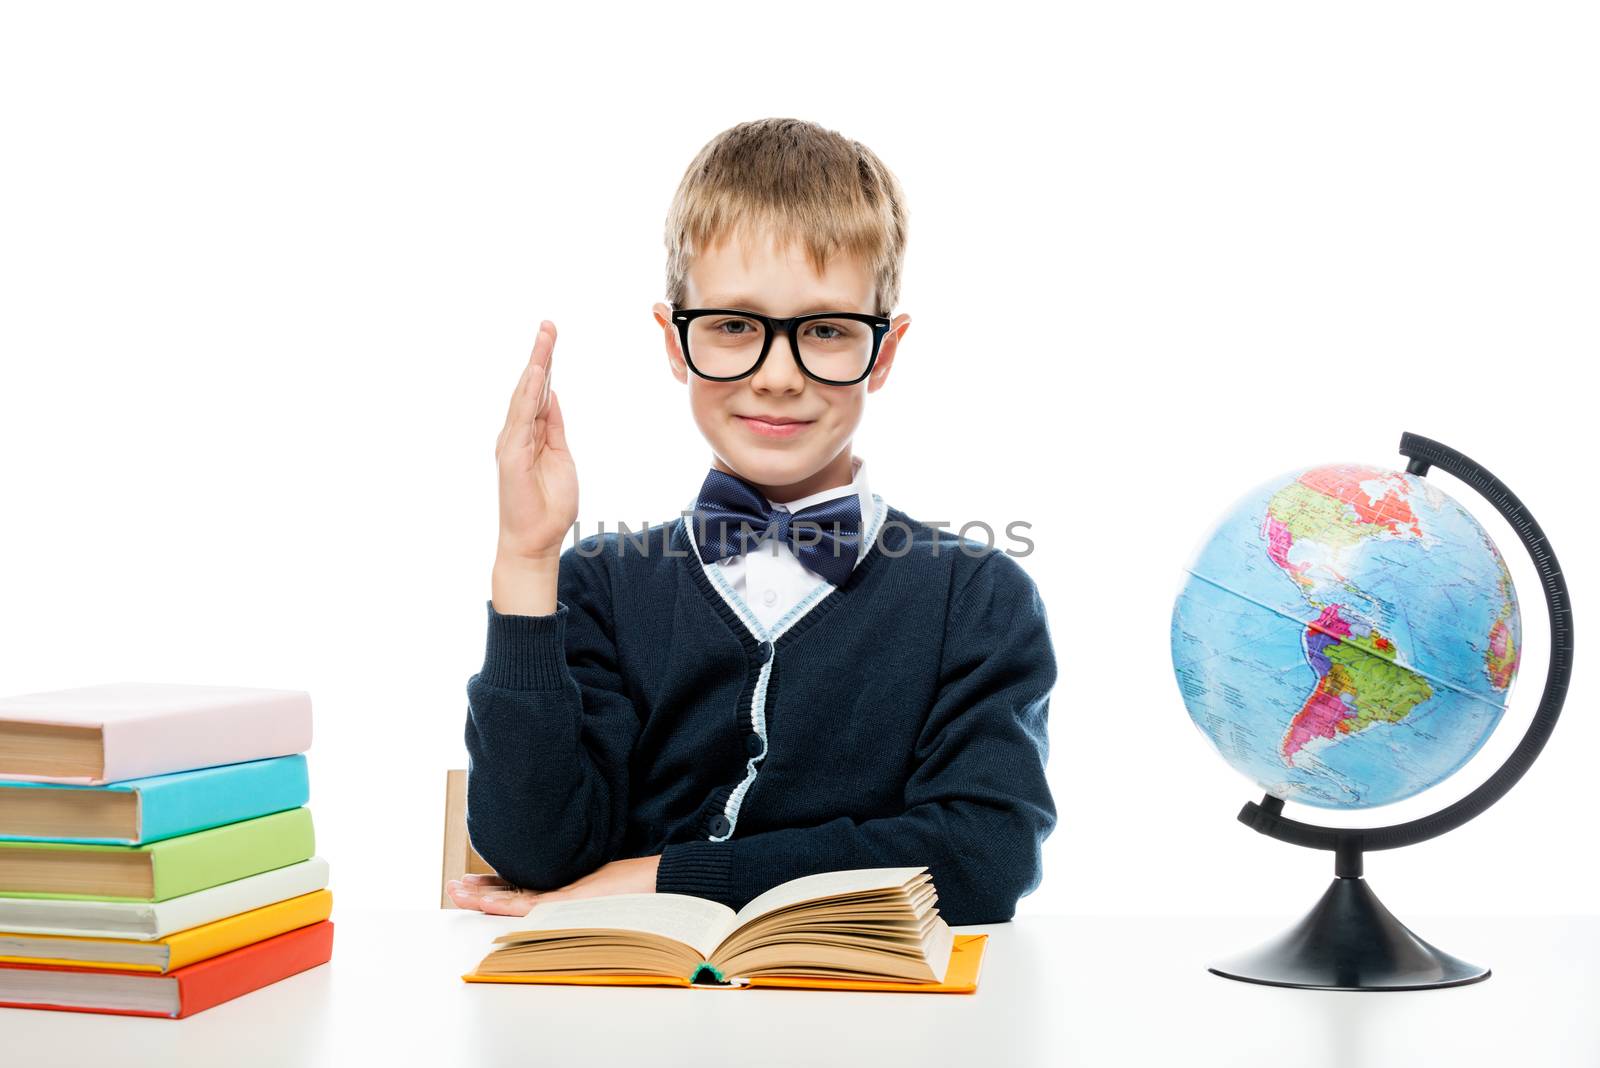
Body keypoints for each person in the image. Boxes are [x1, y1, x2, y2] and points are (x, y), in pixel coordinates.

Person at [446, 117, 1057, 926]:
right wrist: (527, 562)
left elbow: (983, 855)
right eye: (734, 327)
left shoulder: (977, 598)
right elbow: (535, 854)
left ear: (884, 352)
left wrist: (667, 876)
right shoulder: (598, 582)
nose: (776, 377)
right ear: (674, 340)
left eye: (827, 331)